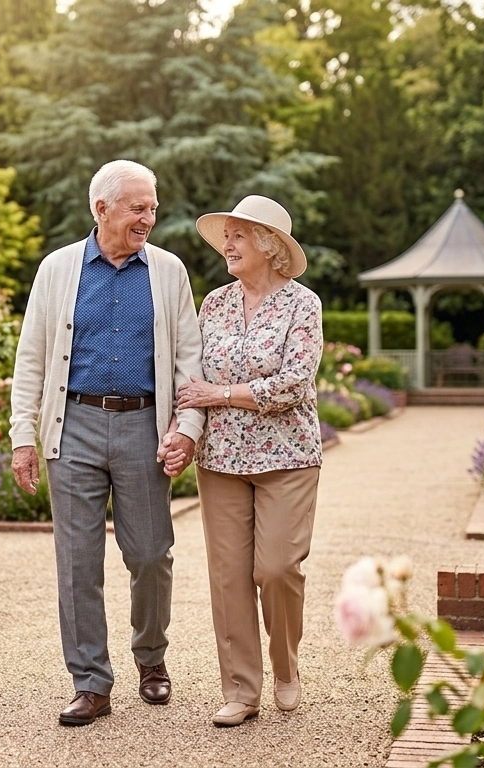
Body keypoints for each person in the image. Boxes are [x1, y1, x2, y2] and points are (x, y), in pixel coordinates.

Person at [10, 159, 204, 727]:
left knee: (149, 555)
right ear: (102, 209)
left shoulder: (168, 272)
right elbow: (31, 360)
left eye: (152, 207)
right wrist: (25, 437)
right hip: (74, 428)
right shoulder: (58, 269)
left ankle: (151, 659)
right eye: (138, 207)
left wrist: (186, 432)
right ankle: (91, 683)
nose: (149, 217)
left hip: (146, 427)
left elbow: (189, 361)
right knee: (77, 563)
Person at [173, 195, 323, 727]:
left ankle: (286, 667)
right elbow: (188, 377)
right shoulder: (213, 303)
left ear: (268, 244)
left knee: (277, 569)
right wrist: (183, 430)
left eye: (238, 236)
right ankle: (240, 690)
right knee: (229, 575)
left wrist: (220, 394)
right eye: (227, 237)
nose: (227, 246)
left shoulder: (303, 304)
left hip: (288, 455)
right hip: (220, 458)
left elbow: (293, 383)